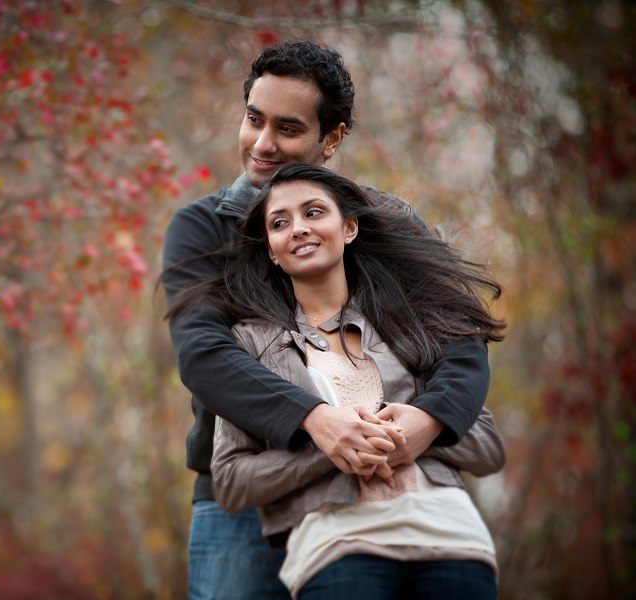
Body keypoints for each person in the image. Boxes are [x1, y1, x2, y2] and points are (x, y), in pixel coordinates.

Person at [161, 41, 492, 599]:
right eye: (253, 119)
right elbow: (204, 357)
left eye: (287, 128)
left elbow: (462, 338)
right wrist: (314, 418)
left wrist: (429, 420)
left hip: (378, 496)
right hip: (242, 503)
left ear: (331, 138)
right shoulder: (202, 230)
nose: (262, 145)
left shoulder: (386, 222)